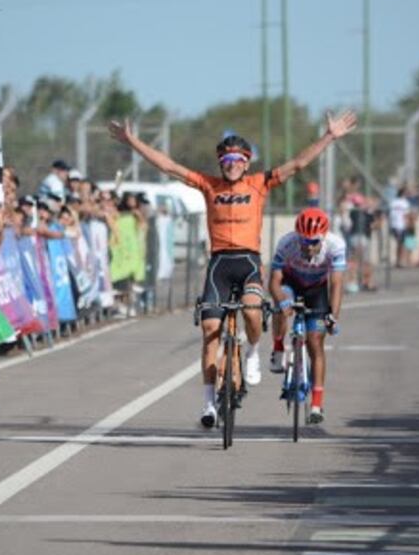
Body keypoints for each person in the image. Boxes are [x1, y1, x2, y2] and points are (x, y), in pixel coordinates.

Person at [109, 110, 357, 428]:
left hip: (249, 261)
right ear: (220, 163)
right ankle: (209, 404)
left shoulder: (260, 183)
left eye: (238, 160)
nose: (232, 165)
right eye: (226, 161)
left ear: (247, 162)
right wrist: (132, 141)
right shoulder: (208, 185)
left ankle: (253, 351)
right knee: (210, 330)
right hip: (219, 264)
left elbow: (297, 165)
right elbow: (168, 166)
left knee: (253, 313)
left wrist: (329, 136)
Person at [268, 208, 345, 424]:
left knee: (315, 343)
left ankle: (317, 405)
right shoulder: (286, 243)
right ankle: (277, 347)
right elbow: (274, 281)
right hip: (291, 283)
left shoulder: (336, 245)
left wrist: (333, 316)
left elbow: (337, 284)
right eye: (304, 242)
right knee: (280, 305)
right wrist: (282, 302)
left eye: (314, 243)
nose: (309, 247)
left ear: (323, 238)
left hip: (317, 289)